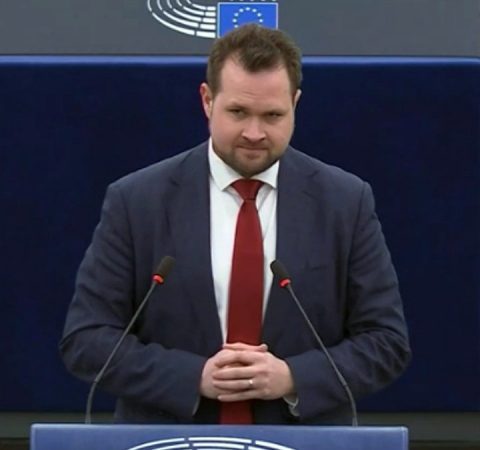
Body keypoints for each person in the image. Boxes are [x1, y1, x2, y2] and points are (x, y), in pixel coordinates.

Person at [60, 23, 411, 425]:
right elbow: (86, 339)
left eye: (273, 115)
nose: (254, 133)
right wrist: (193, 377)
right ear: (207, 100)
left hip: (302, 437)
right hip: (168, 436)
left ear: (295, 104)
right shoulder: (137, 201)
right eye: (238, 112)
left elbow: (386, 342)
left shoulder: (345, 202)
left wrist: (293, 377)